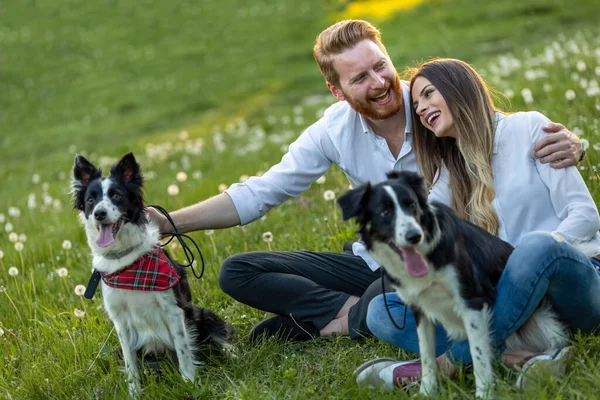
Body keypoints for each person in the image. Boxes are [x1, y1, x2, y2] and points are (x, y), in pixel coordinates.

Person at [148, 20, 584, 343]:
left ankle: (338, 321)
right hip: (377, 261)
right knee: (238, 271)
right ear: (337, 91)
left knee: (303, 324)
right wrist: (166, 223)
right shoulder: (334, 130)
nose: (379, 84)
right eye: (360, 78)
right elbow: (262, 191)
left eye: (381, 67)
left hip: (430, 259)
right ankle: (350, 316)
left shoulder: (433, 105)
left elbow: (490, 133)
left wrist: (571, 142)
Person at [356, 58, 600, 390]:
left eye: (429, 94)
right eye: (417, 105)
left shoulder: (528, 128)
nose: (423, 108)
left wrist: (521, 268)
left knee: (536, 247)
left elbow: (586, 216)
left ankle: (448, 363)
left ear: (460, 87)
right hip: (508, 305)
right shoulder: (446, 175)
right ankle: (528, 358)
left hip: (574, 283)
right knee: (382, 310)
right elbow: (427, 237)